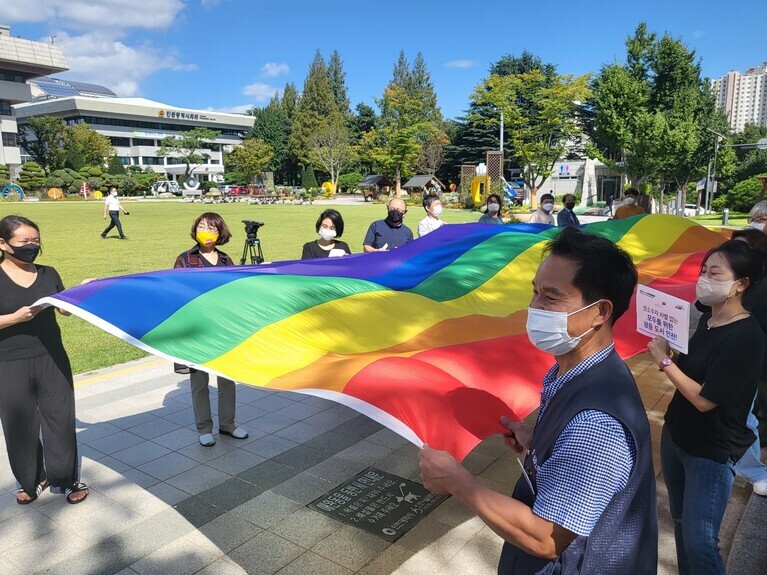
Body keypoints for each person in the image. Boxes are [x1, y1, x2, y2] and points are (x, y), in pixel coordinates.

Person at [419, 226, 657, 574]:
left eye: (551, 296)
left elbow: (546, 538)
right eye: (534, 292)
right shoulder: (573, 371)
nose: (534, 307)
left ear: (600, 312)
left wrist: (458, 481)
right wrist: (540, 445)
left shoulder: (596, 423)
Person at [647, 240, 764, 574]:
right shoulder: (709, 321)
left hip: (710, 451)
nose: (704, 279)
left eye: (715, 273)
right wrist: (669, 354)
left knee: (700, 542)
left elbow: (703, 400)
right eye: (703, 271)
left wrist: (665, 361)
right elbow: (692, 371)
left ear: (741, 284)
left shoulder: (746, 336)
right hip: (676, 437)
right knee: (682, 522)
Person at [0, 215, 88, 504]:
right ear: (3, 243)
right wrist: (14, 318)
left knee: (60, 418)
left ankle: (66, 478)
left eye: (35, 241)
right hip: (8, 361)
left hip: (52, 356)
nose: (32, 246)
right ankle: (33, 477)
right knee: (19, 424)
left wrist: (80, 294)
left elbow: (64, 309)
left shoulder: (49, 273)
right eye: (24, 242)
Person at [173, 212, 248, 447]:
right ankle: (204, 428)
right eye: (202, 226)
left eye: (212, 228)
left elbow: (236, 293)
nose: (206, 231)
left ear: (220, 233)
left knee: (227, 380)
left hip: (222, 328)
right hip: (197, 329)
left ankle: (228, 424)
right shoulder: (185, 259)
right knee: (200, 382)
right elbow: (175, 293)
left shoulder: (226, 261)